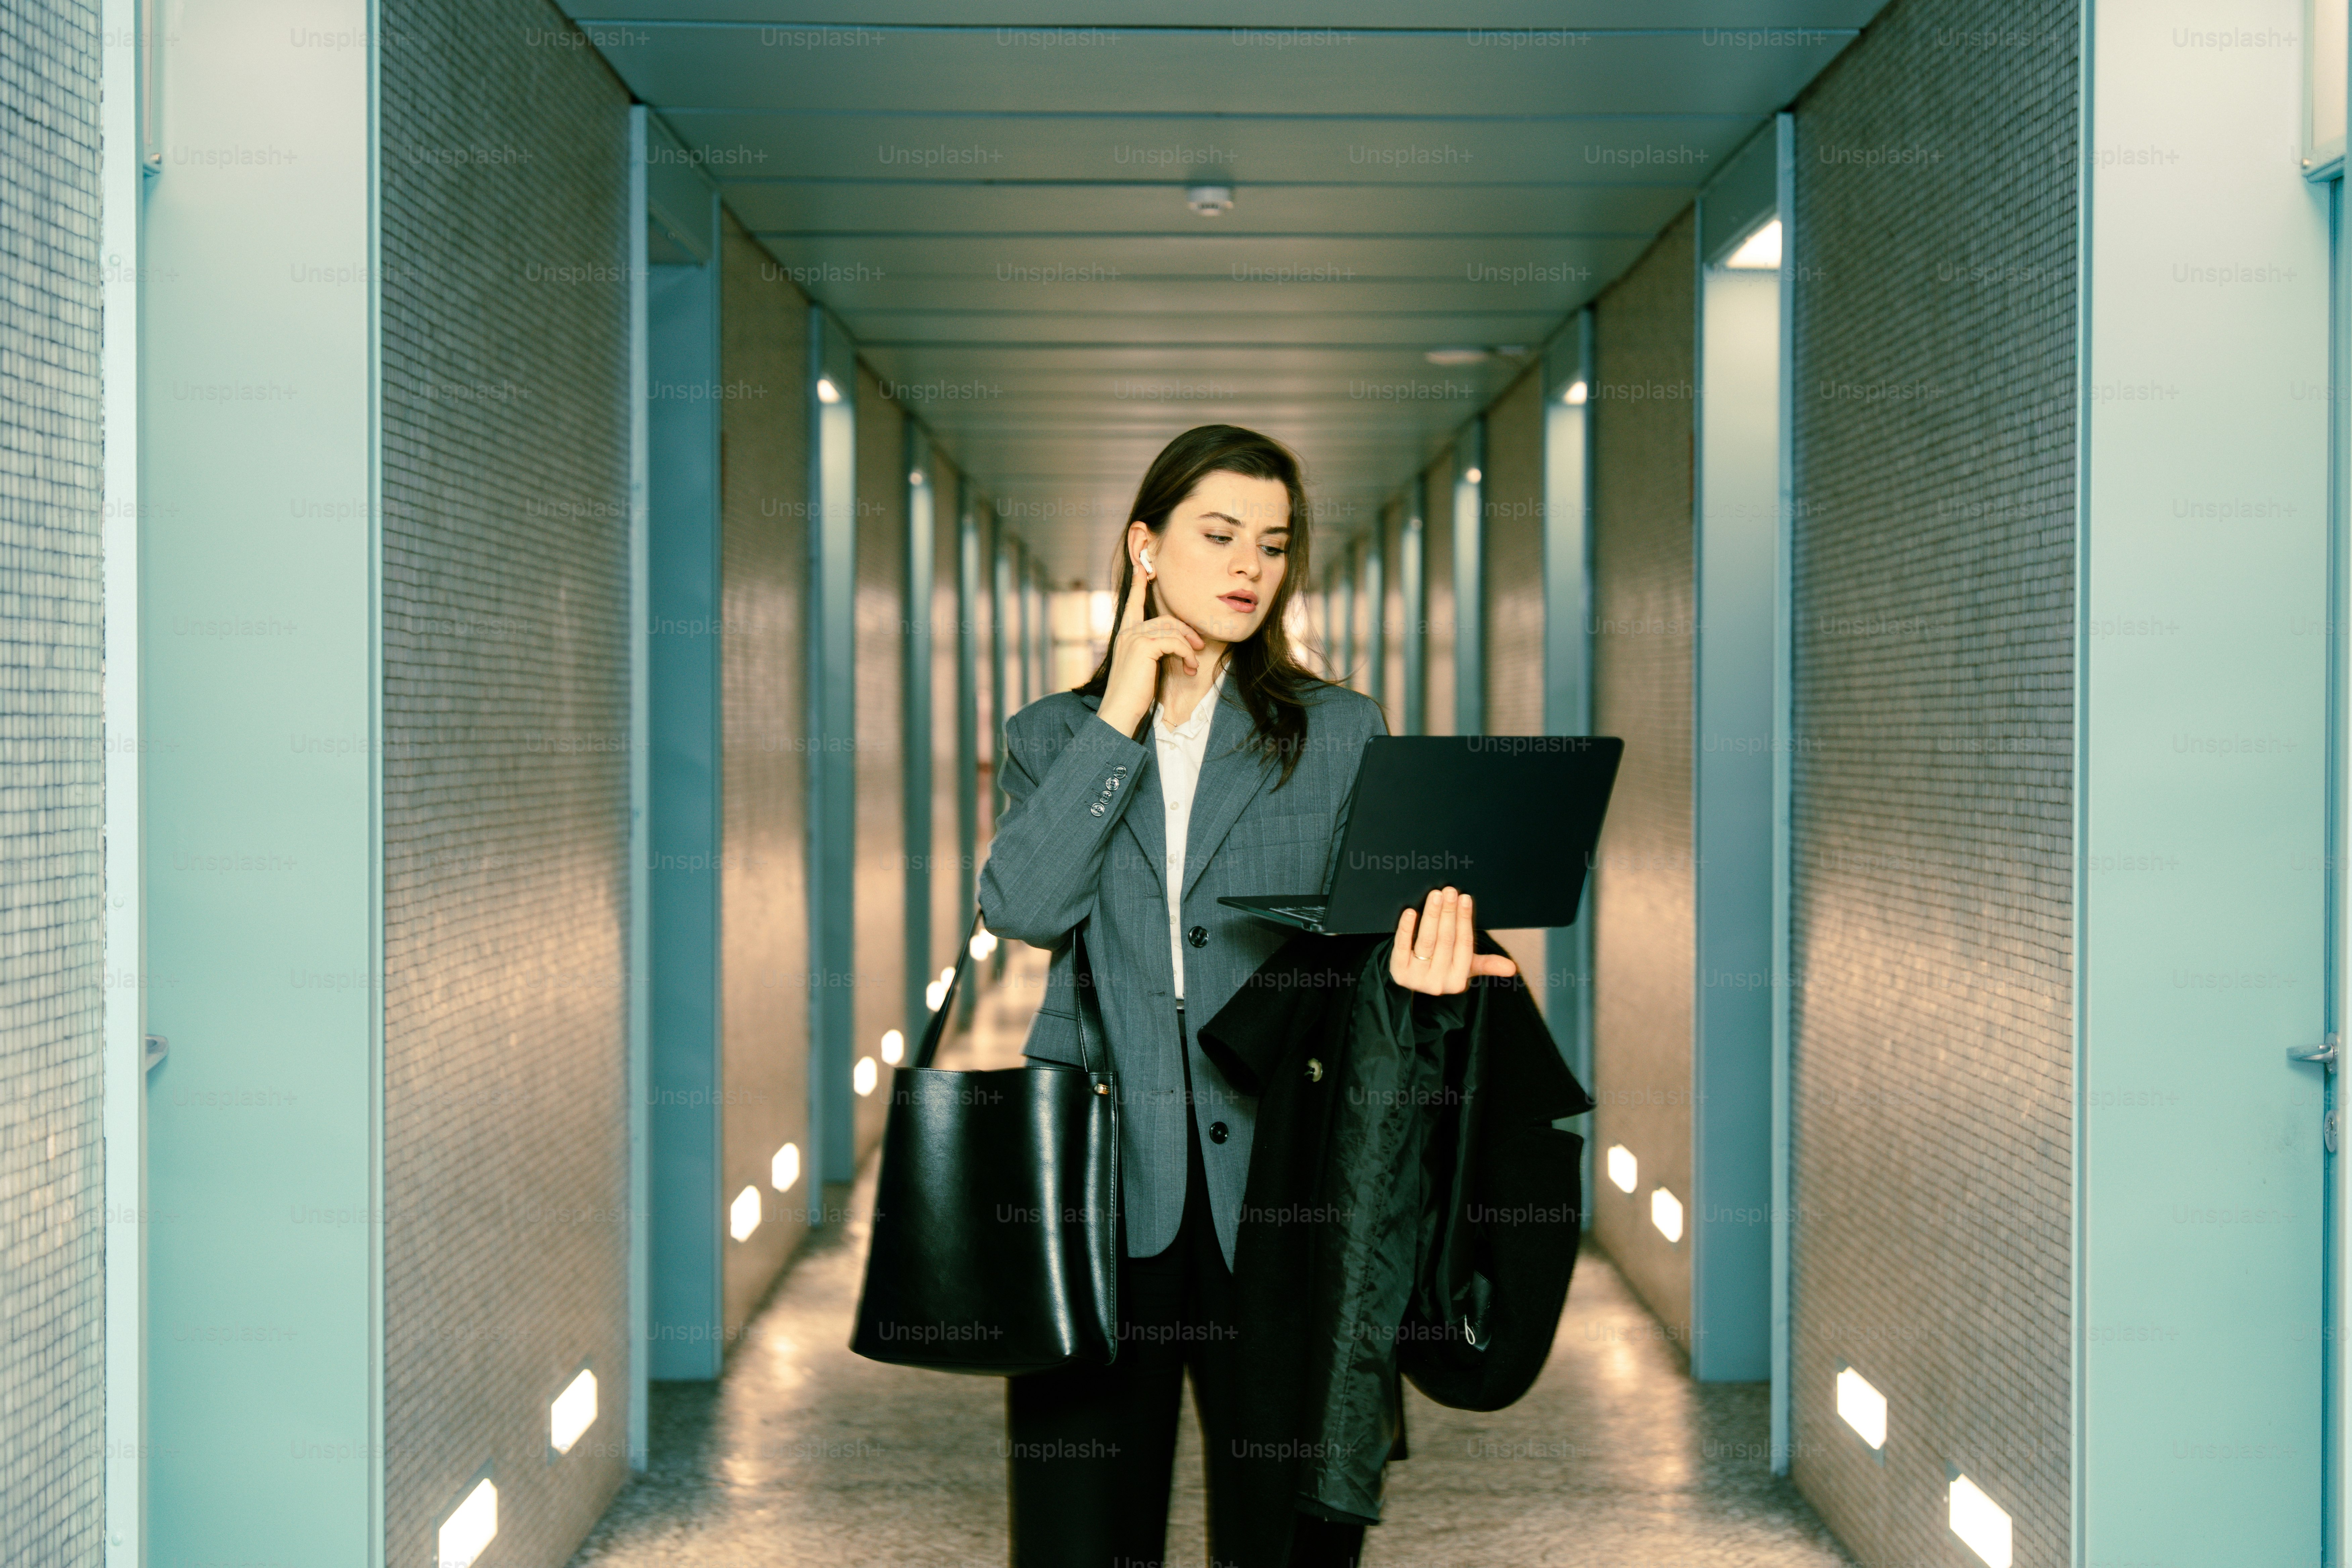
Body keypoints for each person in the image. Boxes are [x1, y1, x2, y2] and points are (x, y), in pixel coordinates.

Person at [976, 424, 1520, 1568]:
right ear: (1146, 548)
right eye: (1219, 536)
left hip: (1280, 1179)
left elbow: (1365, 943)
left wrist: (1415, 973)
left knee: (1283, 1530)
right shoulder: (1054, 736)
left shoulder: (1336, 730)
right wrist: (1124, 710)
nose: (1249, 569)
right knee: (1082, 1533)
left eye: (1273, 545)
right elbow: (1021, 911)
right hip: (1098, 1183)